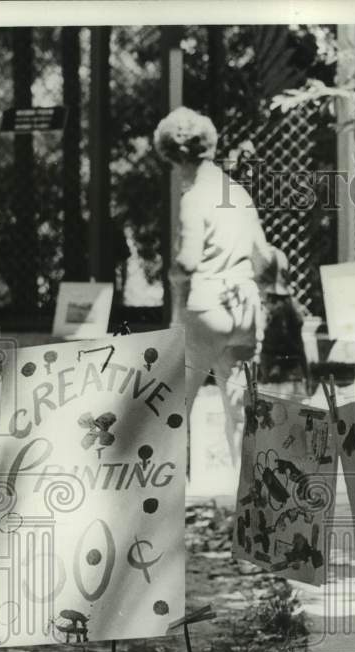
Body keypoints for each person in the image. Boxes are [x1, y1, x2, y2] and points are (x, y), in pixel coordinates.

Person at [153, 106, 282, 463]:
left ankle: (161, 505)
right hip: (244, 309)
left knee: (170, 409)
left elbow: (187, 261)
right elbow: (264, 257)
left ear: (175, 155)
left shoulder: (194, 198)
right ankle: (246, 507)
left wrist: (172, 276)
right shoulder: (237, 193)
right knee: (242, 413)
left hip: (204, 310)